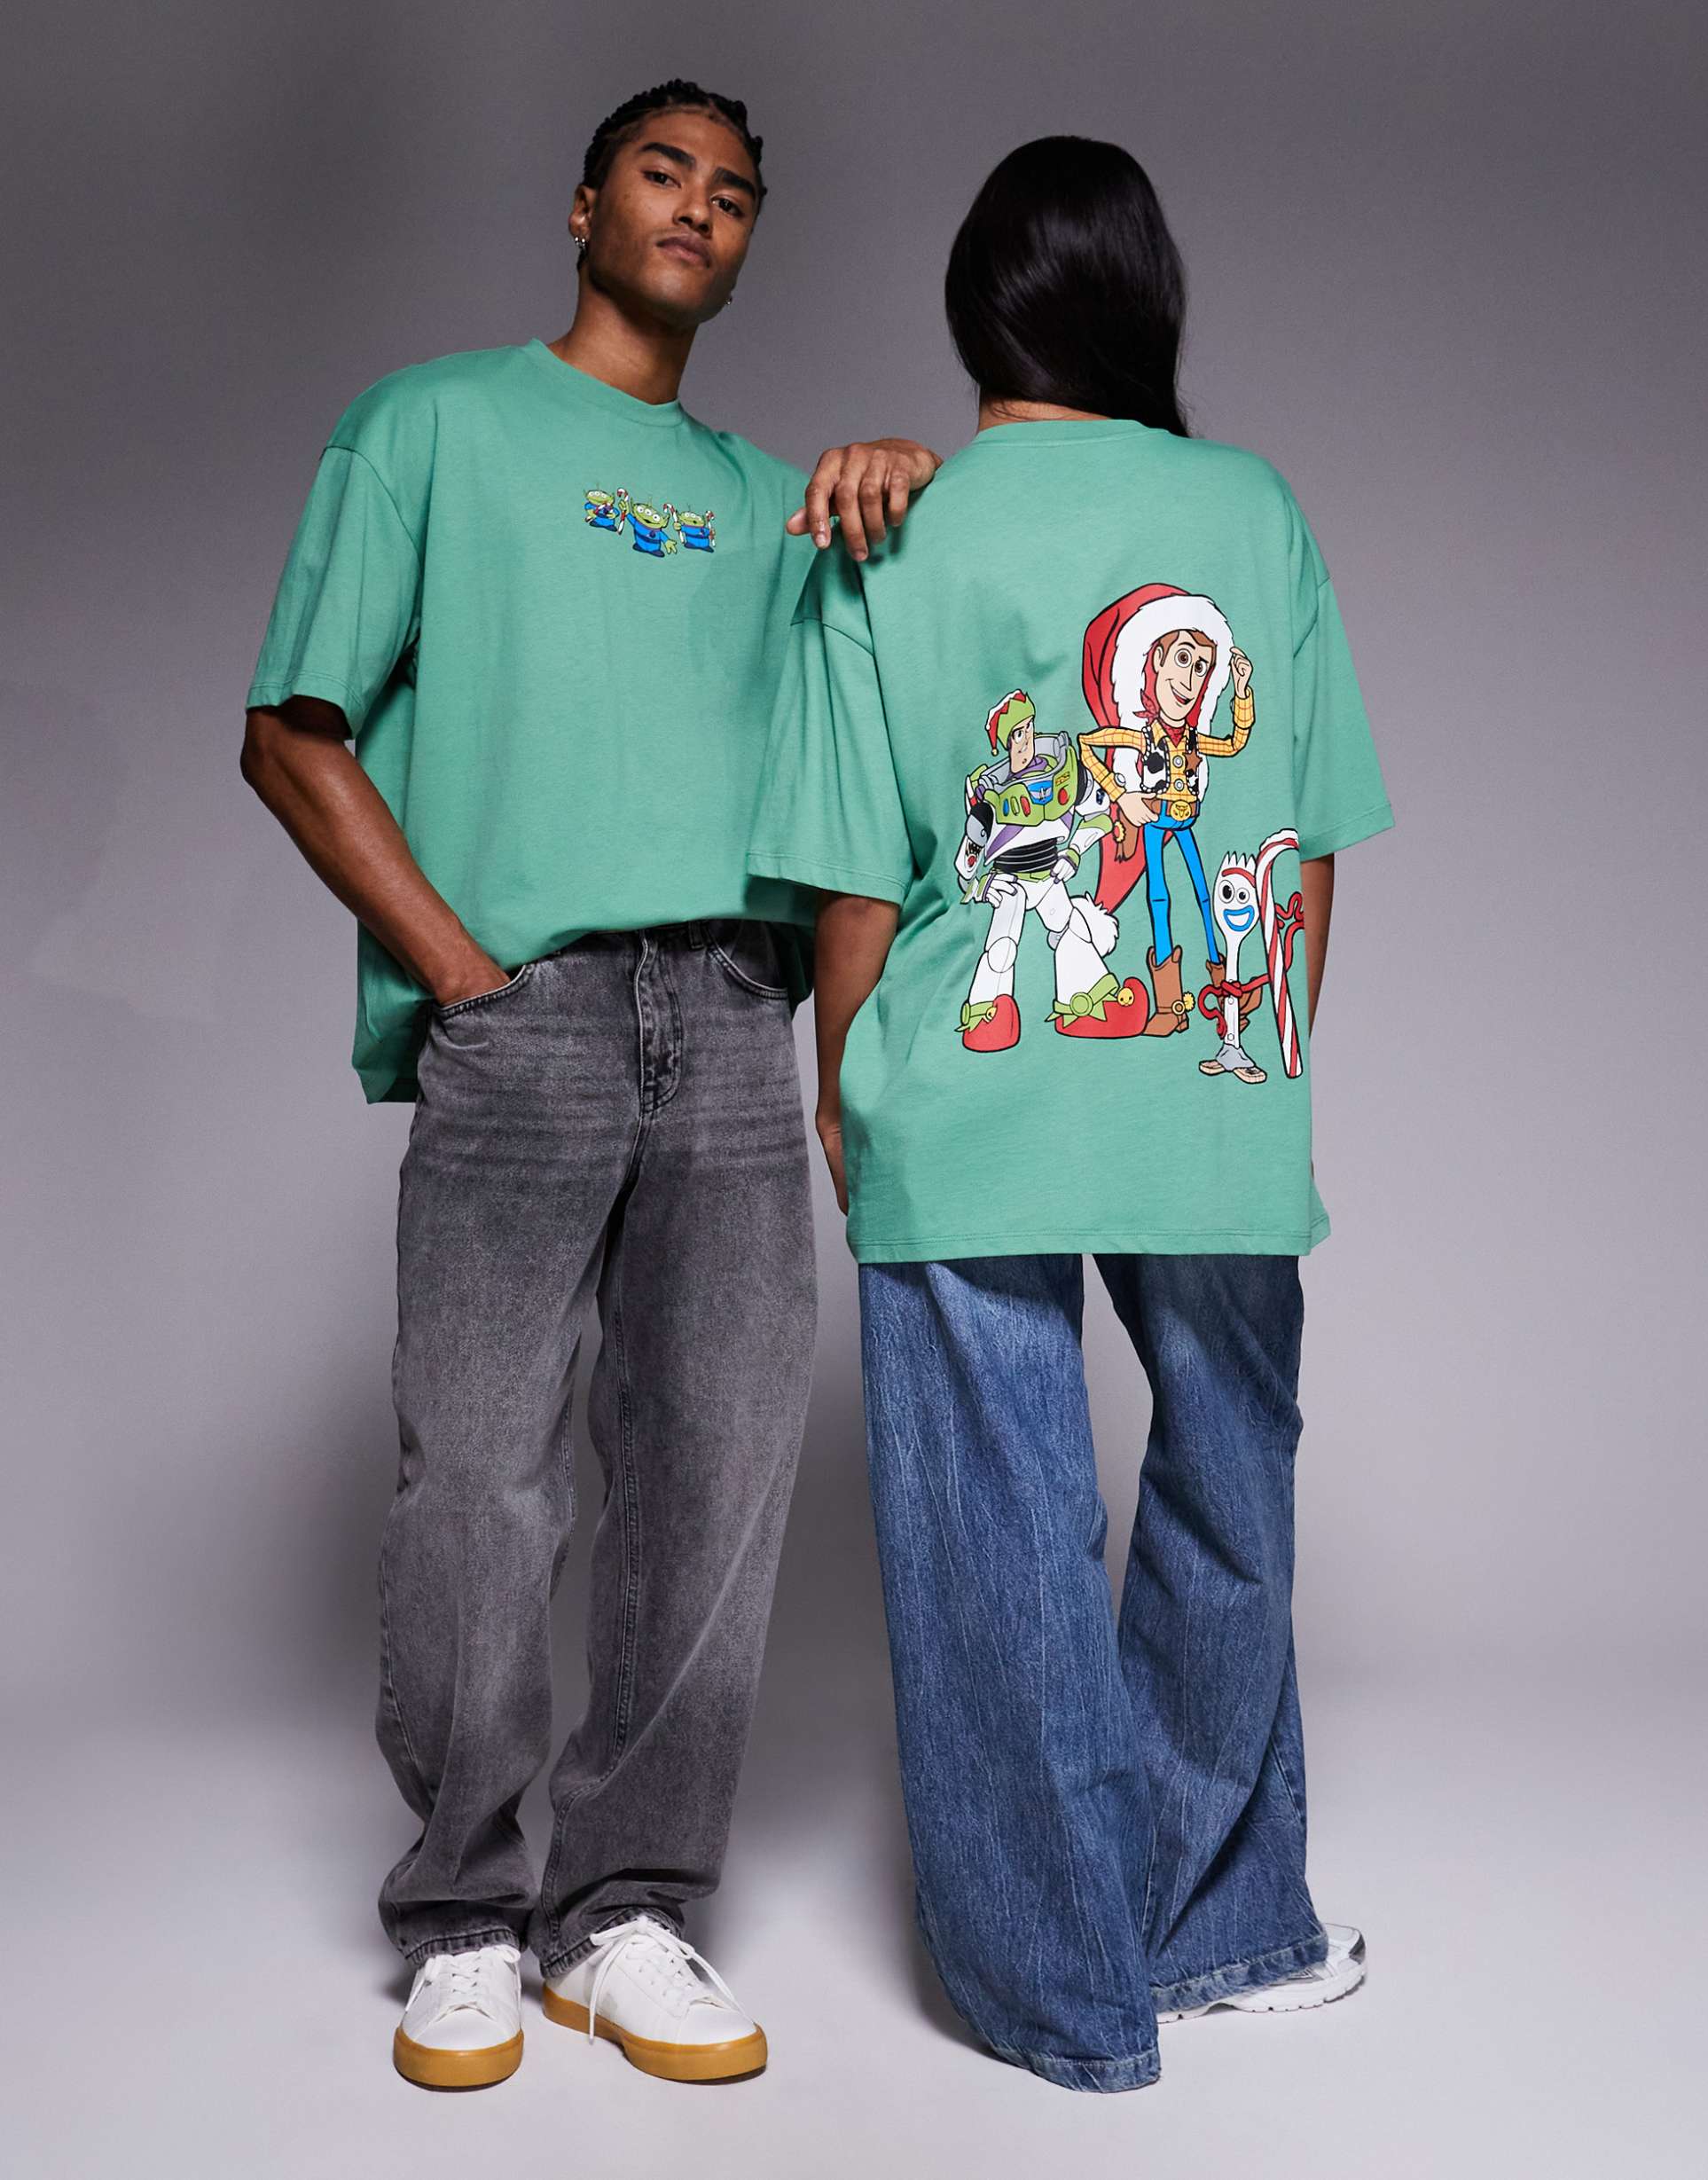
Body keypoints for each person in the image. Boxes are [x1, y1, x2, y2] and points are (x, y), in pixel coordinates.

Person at [240, 79, 939, 2091]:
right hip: (528, 1015)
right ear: (582, 207)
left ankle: (624, 1906)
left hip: (731, 1011)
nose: (698, 210)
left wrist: (906, 475)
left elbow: (881, 719)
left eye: (735, 194)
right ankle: (465, 1910)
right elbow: (292, 730)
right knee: (478, 1475)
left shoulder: (776, 498)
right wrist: (462, 967)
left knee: (713, 1478)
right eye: (662, 172)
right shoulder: (430, 427)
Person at [751, 136, 1394, 2093]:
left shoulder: (894, 524)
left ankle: (1059, 1995)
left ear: (977, 308)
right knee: (1230, 1491)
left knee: (995, 1537)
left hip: (963, 1094)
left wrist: (843, 1087)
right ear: (1142, 293)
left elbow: (855, 863)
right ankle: (1209, 1927)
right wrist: (1260, 1055)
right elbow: (1305, 841)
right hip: (1213, 1084)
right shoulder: (1250, 506)